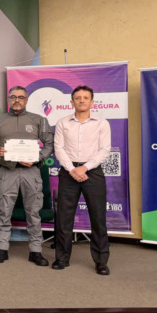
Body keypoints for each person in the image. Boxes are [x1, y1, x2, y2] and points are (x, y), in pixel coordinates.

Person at [0, 86, 53, 266]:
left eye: (21, 97)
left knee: (34, 213)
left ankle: (35, 251)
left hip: (32, 171)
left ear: (26, 100)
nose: (17, 100)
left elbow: (49, 144)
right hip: (7, 171)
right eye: (13, 97)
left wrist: (37, 158)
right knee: (4, 211)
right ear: (8, 99)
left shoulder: (39, 120)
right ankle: (2, 249)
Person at [52, 85, 112, 275]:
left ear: (92, 102)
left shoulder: (102, 123)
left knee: (98, 217)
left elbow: (105, 149)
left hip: (92, 171)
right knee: (64, 218)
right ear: (72, 102)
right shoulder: (63, 122)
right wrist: (72, 169)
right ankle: (62, 258)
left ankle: (101, 261)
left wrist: (85, 167)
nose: (82, 101)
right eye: (78, 98)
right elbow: (59, 148)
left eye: (86, 98)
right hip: (68, 172)